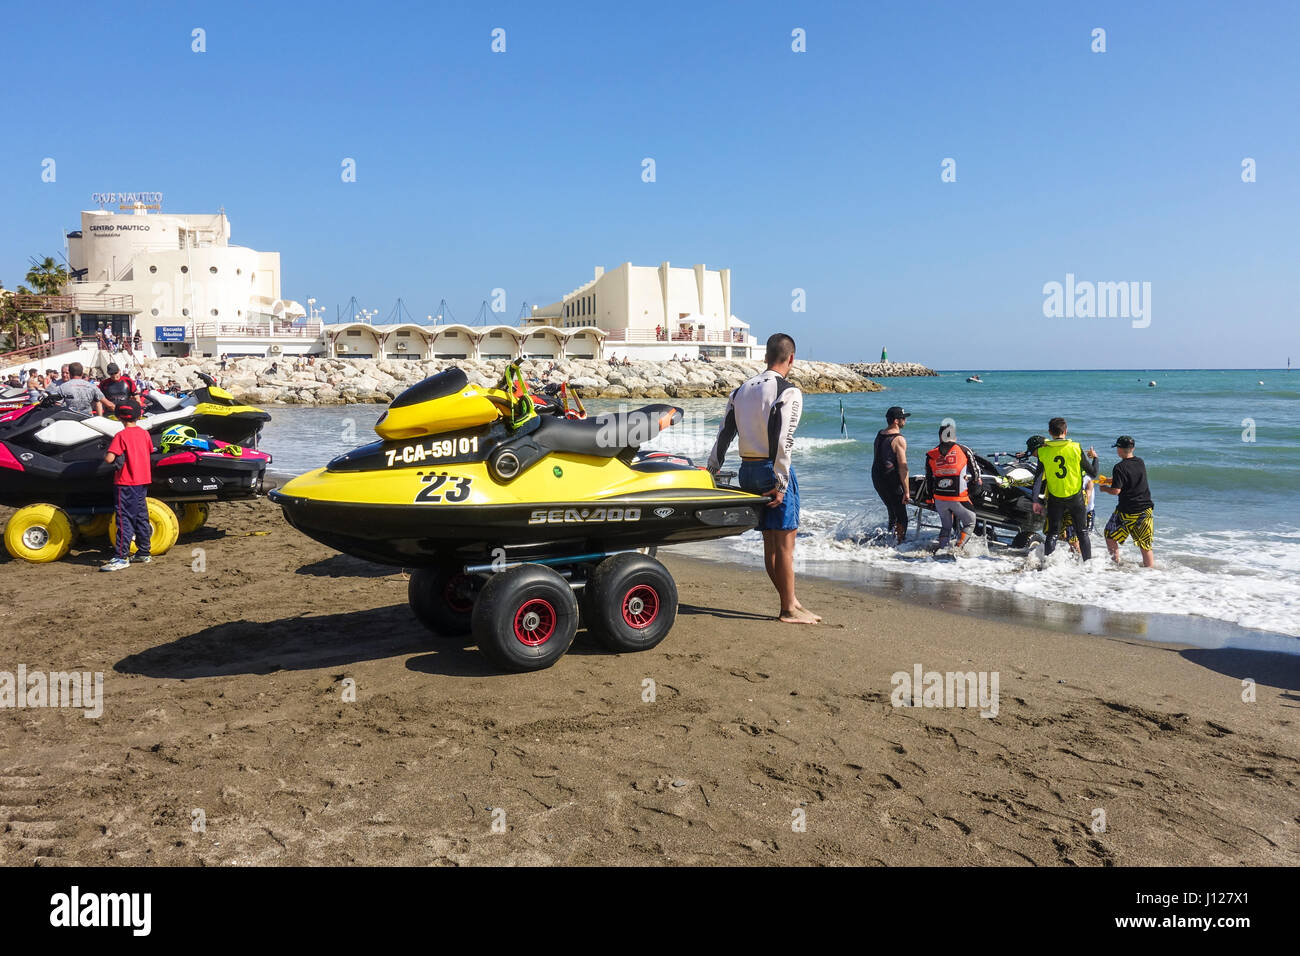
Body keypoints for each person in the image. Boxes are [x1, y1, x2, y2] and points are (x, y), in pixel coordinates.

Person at [707, 332, 819, 624]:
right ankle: (788, 610)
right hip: (772, 470)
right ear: (791, 358)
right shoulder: (788, 391)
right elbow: (785, 440)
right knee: (785, 545)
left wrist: (712, 468)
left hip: (748, 470)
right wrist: (781, 483)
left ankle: (790, 601)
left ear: (765, 356)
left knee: (771, 543)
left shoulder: (741, 390)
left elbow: (724, 433)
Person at [1031, 417, 1099, 560]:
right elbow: (1093, 473)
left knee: (1053, 533)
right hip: (1075, 497)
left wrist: (1035, 500)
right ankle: (1088, 565)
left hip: (1056, 498)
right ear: (1066, 431)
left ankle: (1047, 564)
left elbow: (1037, 478)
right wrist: (1095, 458)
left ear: (1050, 432)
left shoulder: (1043, 452)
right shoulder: (1075, 448)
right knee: (1082, 532)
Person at [100, 399, 154, 571]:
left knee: (124, 519)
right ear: (139, 416)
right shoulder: (144, 434)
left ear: (119, 417)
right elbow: (148, 450)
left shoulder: (120, 436)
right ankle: (144, 551)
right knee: (141, 516)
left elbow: (109, 459)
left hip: (125, 482)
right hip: (142, 480)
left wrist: (104, 453)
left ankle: (121, 557)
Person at [924, 422, 981, 548]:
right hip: (958, 498)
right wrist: (973, 487)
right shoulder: (964, 450)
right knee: (970, 523)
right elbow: (976, 474)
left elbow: (929, 479)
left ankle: (941, 549)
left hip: (939, 499)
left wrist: (929, 498)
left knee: (946, 526)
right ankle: (957, 549)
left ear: (940, 436)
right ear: (954, 436)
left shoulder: (930, 454)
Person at [1101, 436, 1155, 568]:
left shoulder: (1119, 467)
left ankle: (1116, 564)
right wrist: (1110, 480)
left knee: (1109, 534)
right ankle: (1151, 573)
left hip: (1126, 511)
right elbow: (1130, 477)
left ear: (1119, 449)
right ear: (1133, 448)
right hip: (1145, 510)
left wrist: (1105, 488)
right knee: (1145, 544)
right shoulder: (1140, 462)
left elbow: (1116, 491)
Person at [872, 406, 911, 543]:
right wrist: (906, 491)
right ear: (896, 421)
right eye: (903, 418)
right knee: (902, 516)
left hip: (877, 477)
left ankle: (889, 540)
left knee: (892, 510)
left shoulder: (880, 434)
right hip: (890, 478)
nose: (905, 420)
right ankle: (899, 545)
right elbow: (903, 467)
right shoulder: (899, 439)